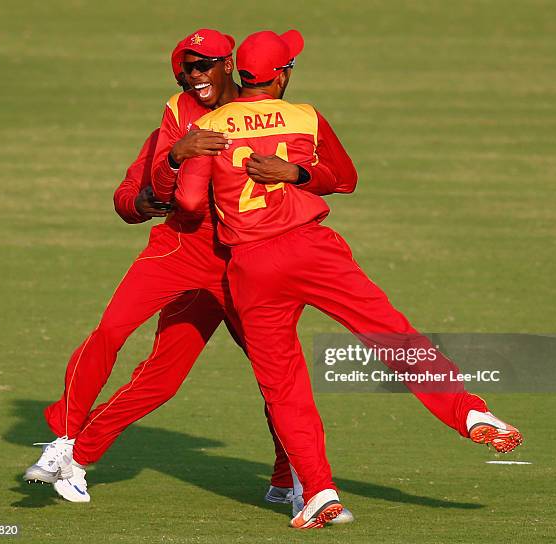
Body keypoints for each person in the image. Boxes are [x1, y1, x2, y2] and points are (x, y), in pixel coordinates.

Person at [173, 29, 523, 529]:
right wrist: (294, 175)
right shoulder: (306, 117)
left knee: (284, 384)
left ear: (240, 73)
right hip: (312, 249)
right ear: (281, 75)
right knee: (390, 332)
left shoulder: (209, 125)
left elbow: (187, 202)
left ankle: (318, 492)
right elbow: (345, 178)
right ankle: (467, 411)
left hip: (251, 265)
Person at [24, 31, 354, 525]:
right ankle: (69, 443)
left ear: (231, 67)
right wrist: (168, 166)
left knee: (277, 378)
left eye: (206, 66)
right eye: (188, 68)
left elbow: (325, 175)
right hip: (180, 251)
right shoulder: (177, 112)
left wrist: (293, 184)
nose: (196, 76)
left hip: (245, 266)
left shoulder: (258, 113)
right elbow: (137, 189)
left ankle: (291, 480)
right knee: (142, 361)